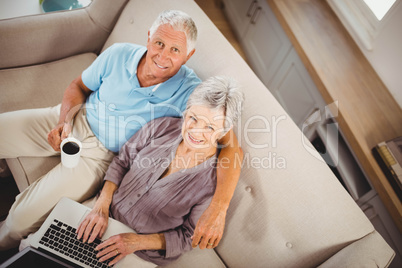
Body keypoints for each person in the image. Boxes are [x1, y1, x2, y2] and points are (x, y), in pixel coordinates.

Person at [0, 10, 242, 251]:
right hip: (77, 118)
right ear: (148, 37)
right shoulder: (118, 53)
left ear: (188, 56)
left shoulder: (191, 93)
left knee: (18, 220)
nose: (163, 55)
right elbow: (79, 86)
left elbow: (231, 147)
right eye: (159, 43)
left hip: (102, 158)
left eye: (175, 50)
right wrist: (64, 121)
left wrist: (218, 210)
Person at [76, 76, 244, 266]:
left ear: (224, 131)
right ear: (186, 111)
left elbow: (189, 236)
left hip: (140, 252)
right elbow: (122, 161)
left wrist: (136, 242)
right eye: (194, 118)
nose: (196, 132)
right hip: (102, 214)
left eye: (210, 127)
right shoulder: (163, 126)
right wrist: (101, 205)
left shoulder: (215, 182)